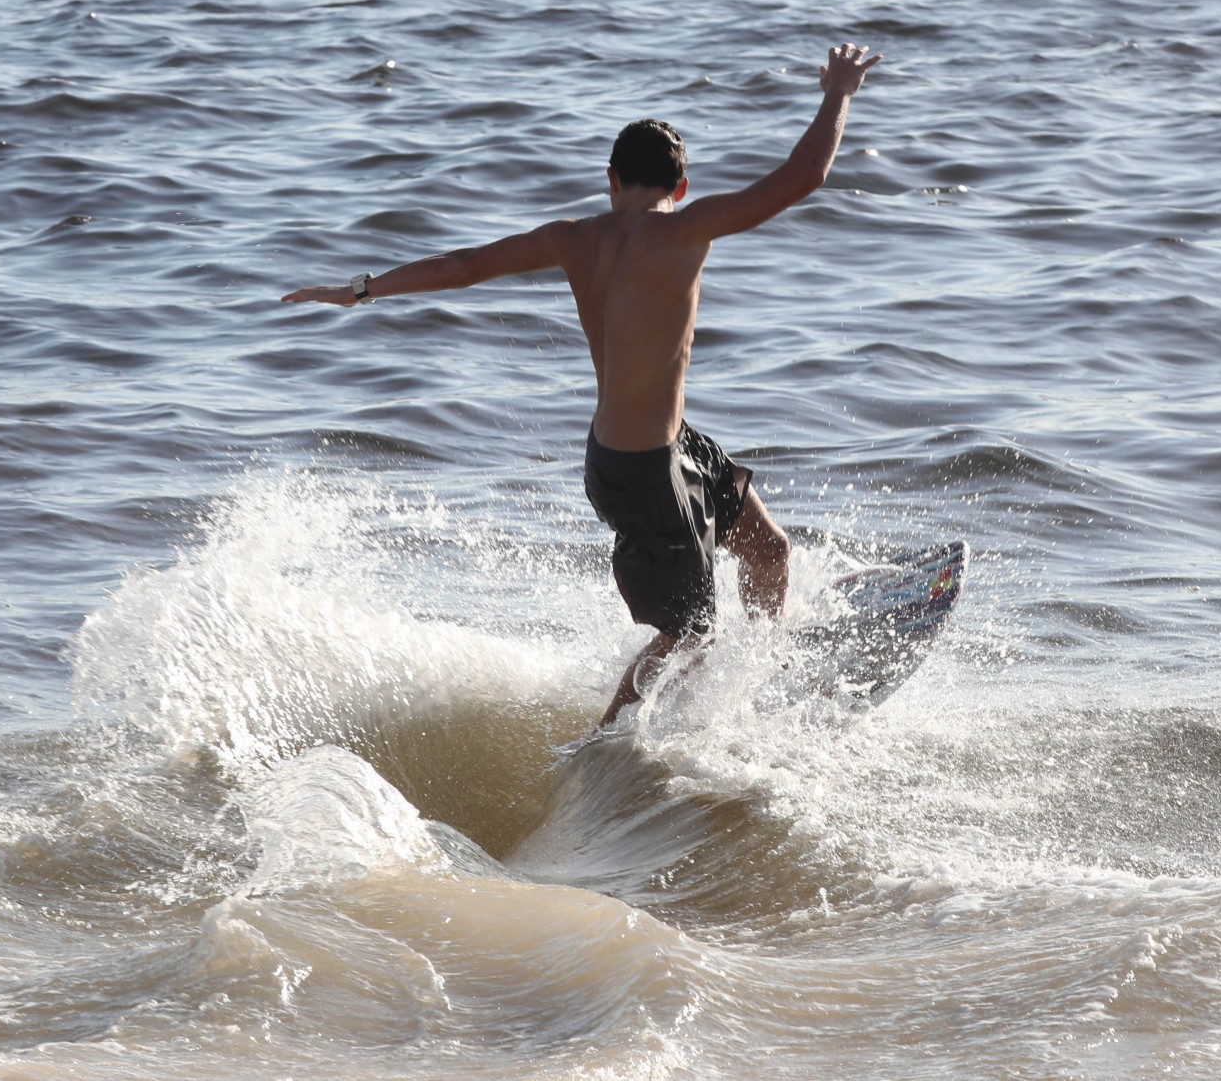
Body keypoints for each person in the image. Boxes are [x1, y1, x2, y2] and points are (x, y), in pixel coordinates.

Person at [282, 42, 882, 727]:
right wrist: (838, 91)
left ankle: (768, 675)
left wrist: (358, 290)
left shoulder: (572, 237)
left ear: (611, 181)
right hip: (644, 471)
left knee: (770, 551)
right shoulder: (690, 230)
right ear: (680, 187)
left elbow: (461, 264)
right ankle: (604, 746)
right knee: (687, 635)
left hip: (657, 448)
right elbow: (807, 173)